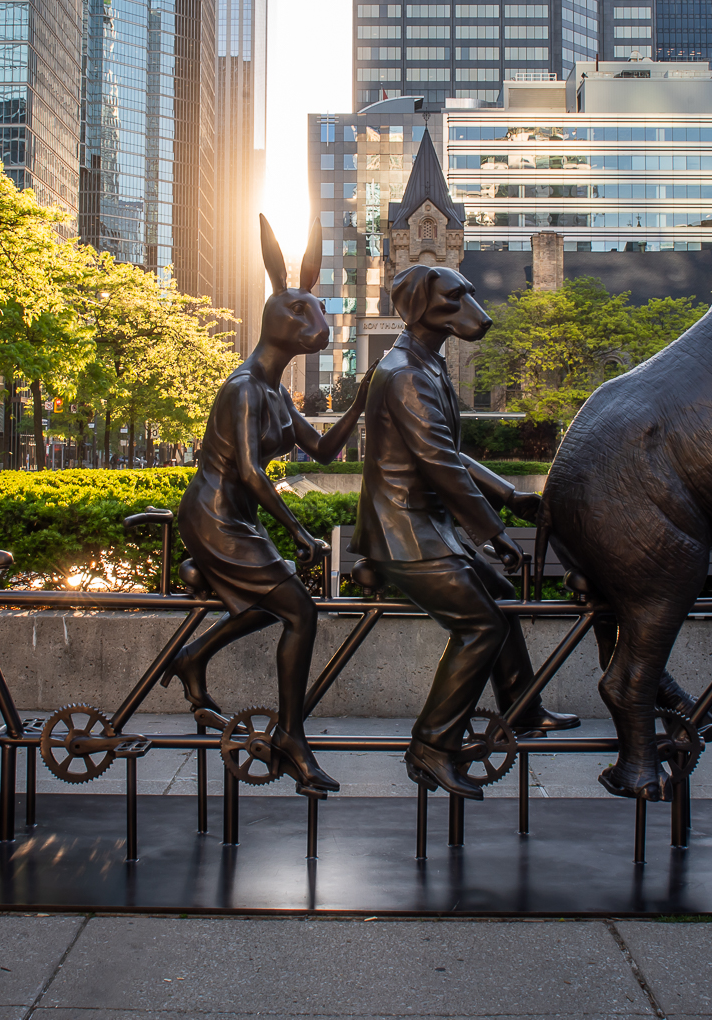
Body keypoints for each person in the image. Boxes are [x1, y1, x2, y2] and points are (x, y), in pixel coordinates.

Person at [353, 263, 578, 800]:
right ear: (420, 307)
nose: (474, 311)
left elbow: (448, 451)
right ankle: (431, 746)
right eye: (455, 300)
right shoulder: (406, 371)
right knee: (481, 627)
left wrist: (509, 495)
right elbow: (438, 463)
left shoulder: (427, 364)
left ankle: (522, 709)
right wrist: (494, 532)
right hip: (403, 535)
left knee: (500, 598)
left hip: (428, 530)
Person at [163, 216, 368, 797]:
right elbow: (251, 473)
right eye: (299, 312)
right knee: (301, 613)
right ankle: (292, 740)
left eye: (315, 311)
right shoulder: (244, 388)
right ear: (275, 315)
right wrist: (299, 533)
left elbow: (325, 451)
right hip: (215, 516)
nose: (315, 323)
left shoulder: (276, 392)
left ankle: (193, 658)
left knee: (271, 607)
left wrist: (360, 398)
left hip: (238, 518)